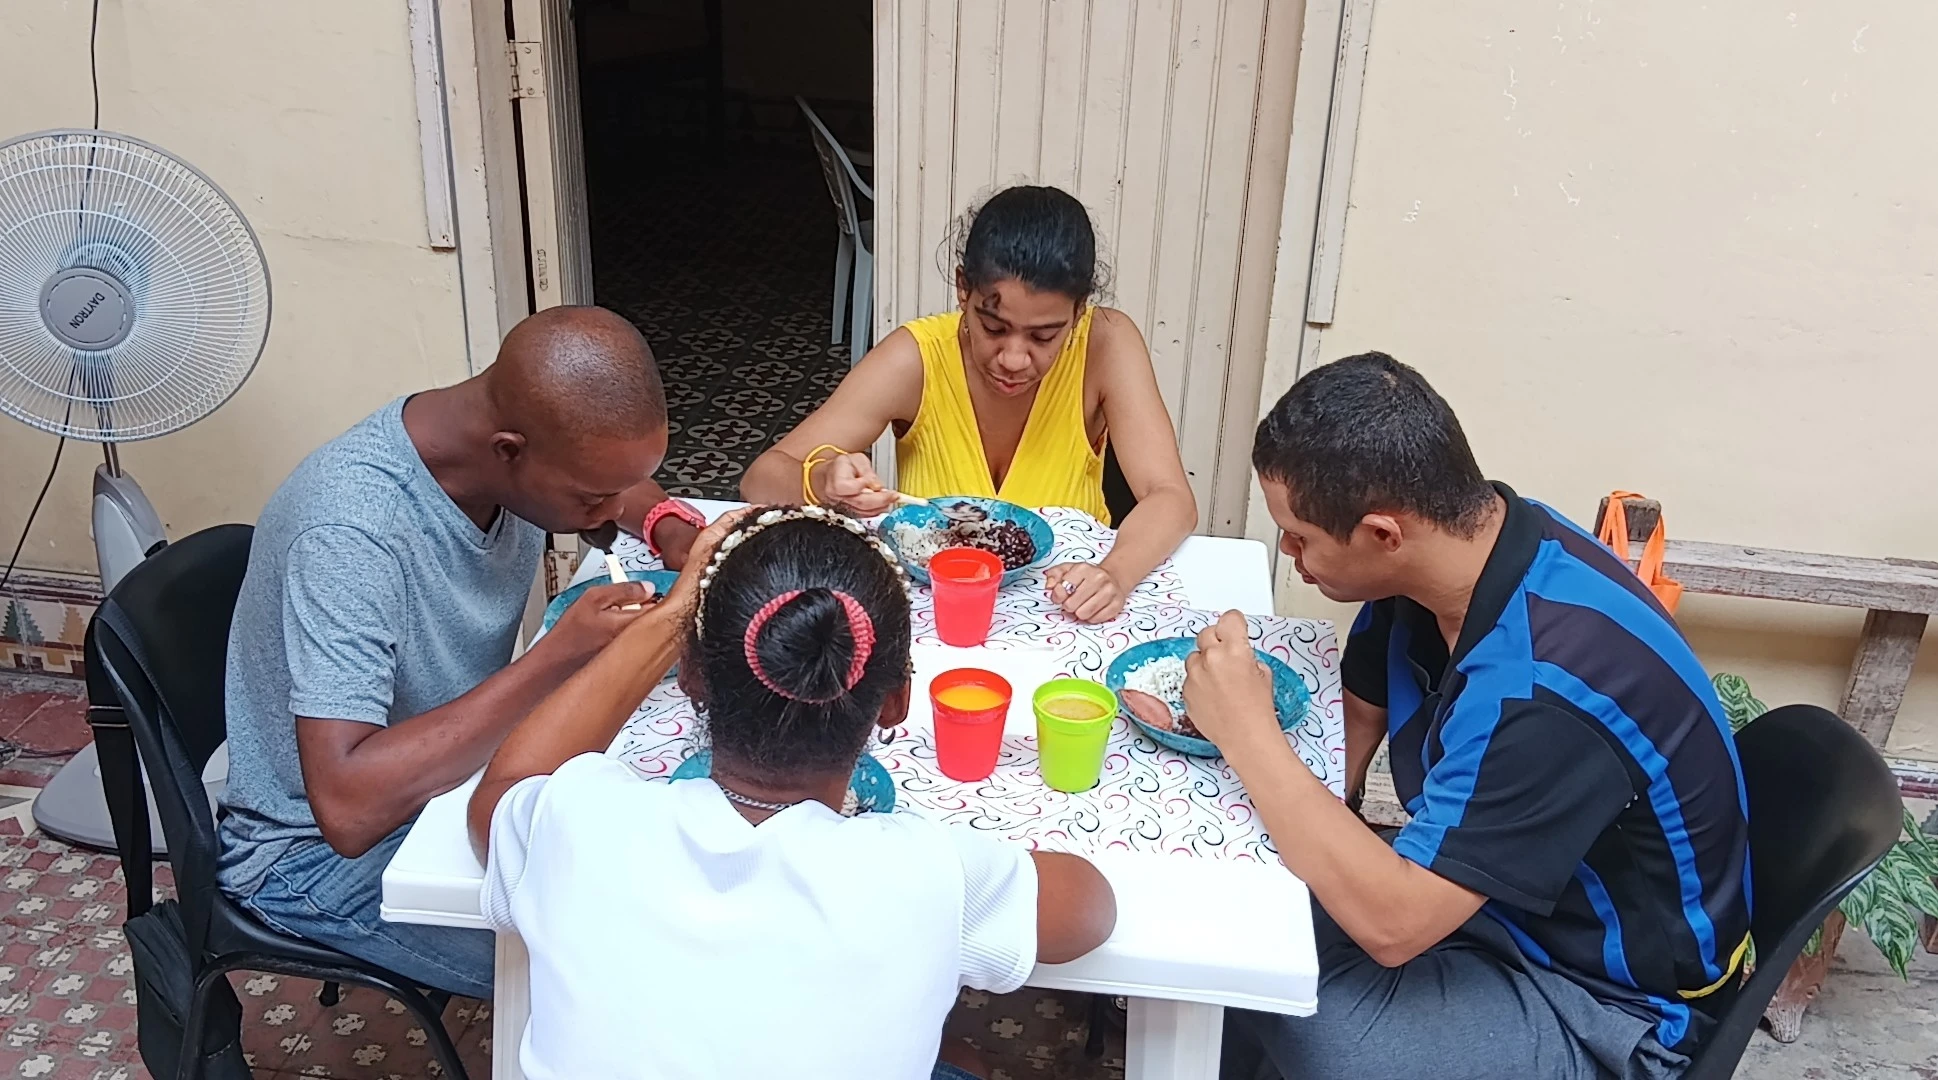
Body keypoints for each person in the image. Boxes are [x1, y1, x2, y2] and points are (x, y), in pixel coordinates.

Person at [1194, 353, 1750, 1079]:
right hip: (1503, 912)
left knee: (1283, 995)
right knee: (1239, 911)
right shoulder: (1472, 552)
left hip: (1602, 1004)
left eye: (1300, 537)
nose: (1290, 554)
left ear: (1383, 534)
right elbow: (1352, 724)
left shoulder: (1545, 691)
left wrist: (1247, 732)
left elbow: (1393, 925)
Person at [467, 505, 1118, 1079]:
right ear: (896, 701)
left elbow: (504, 791)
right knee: (961, 1058)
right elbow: (1092, 912)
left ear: (690, 676)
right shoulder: (932, 871)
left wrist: (675, 612)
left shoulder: (582, 820)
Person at [218, 305, 707, 999]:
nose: (606, 514)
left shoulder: (495, 447)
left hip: (447, 780)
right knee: (638, 966)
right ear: (509, 450)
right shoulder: (353, 534)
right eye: (592, 498)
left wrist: (673, 529)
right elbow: (348, 809)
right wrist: (556, 658)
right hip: (314, 857)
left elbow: (620, 482)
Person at [741, 185, 1197, 623]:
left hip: (1066, 608)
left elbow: (1171, 497)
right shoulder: (916, 359)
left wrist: (1114, 574)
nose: (1014, 359)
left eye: (1044, 336)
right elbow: (760, 478)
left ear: (1078, 312)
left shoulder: (1105, 345)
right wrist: (822, 481)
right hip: (935, 617)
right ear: (964, 289)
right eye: (994, 327)